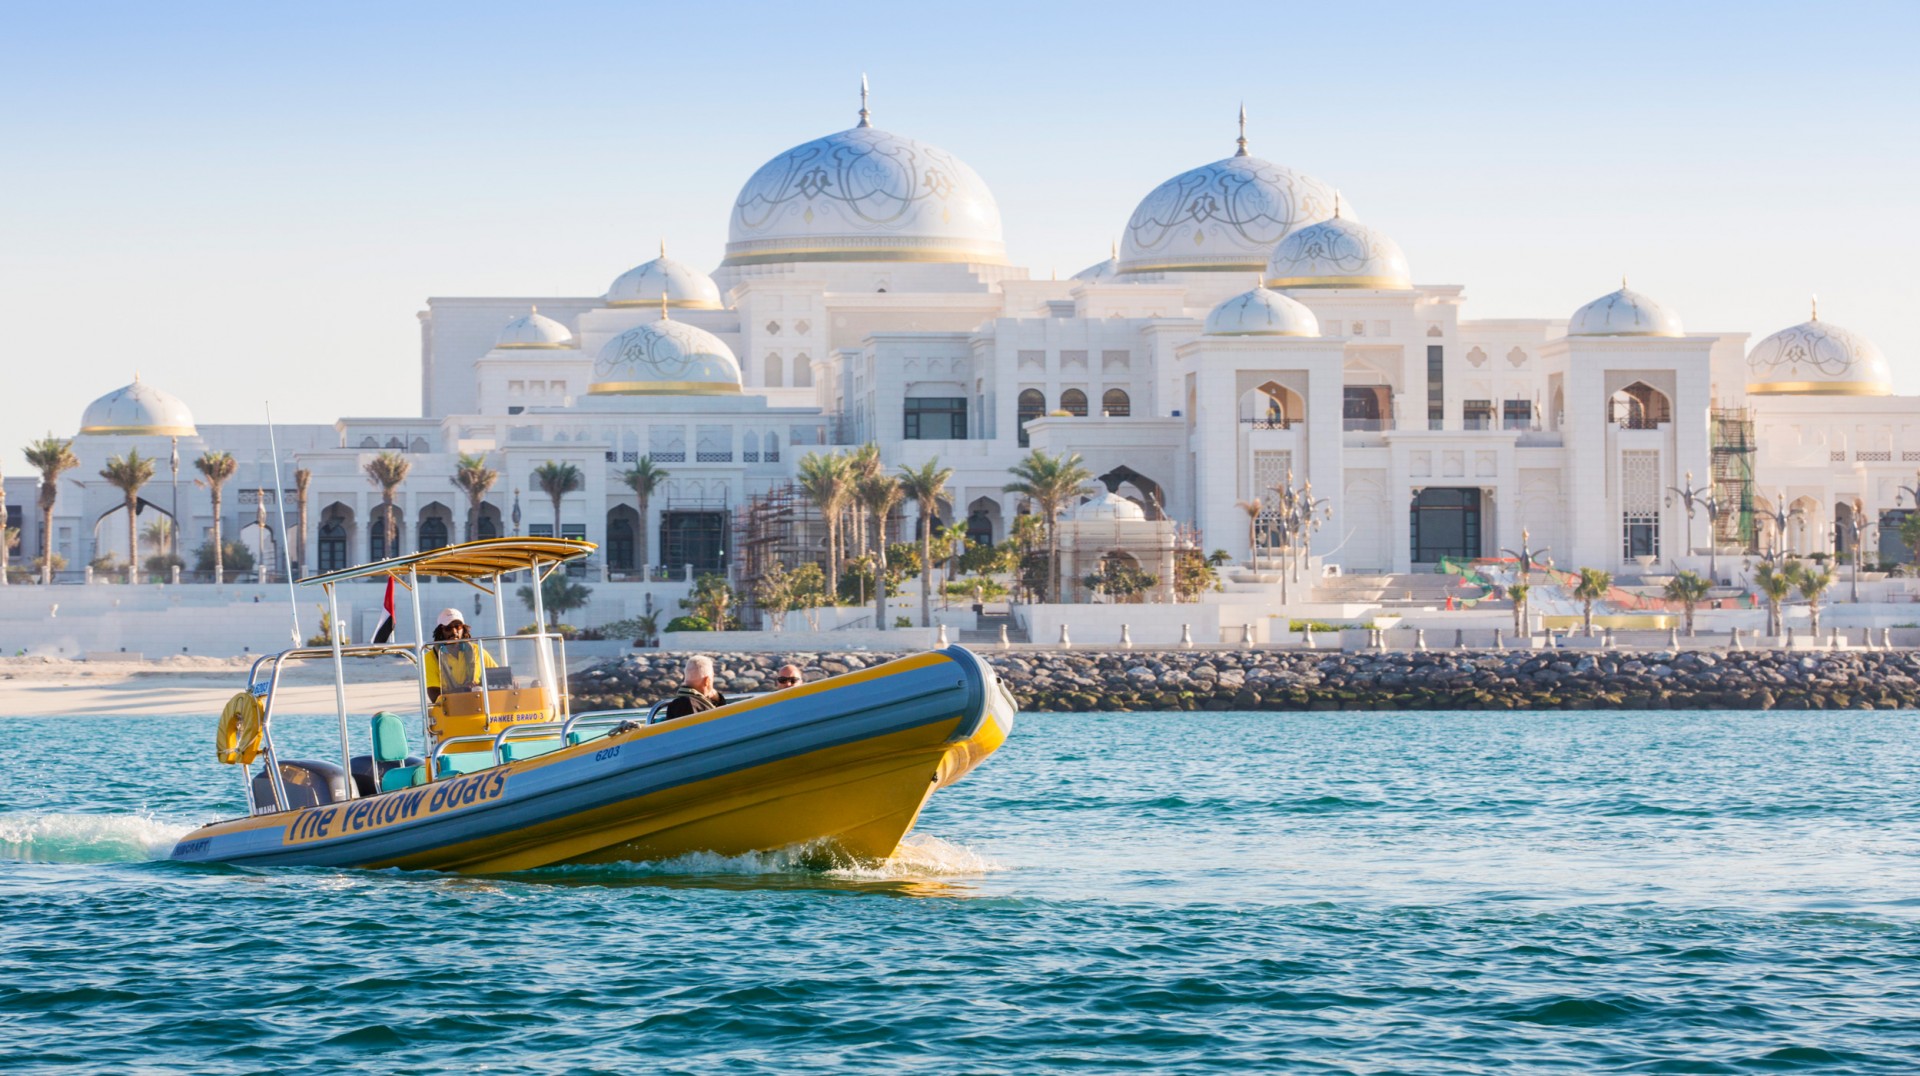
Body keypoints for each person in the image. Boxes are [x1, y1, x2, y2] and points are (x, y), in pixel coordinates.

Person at [424, 608, 496, 702]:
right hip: (449, 710)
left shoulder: (477, 651)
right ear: (440, 631)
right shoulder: (430, 657)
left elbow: (498, 675)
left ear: (463, 628)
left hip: (479, 704)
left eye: (458, 627)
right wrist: (465, 690)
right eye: (448, 628)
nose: (454, 632)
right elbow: (434, 695)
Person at [660, 655, 728, 721]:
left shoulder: (682, 703)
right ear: (707, 680)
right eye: (712, 677)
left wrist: (716, 697)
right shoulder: (688, 705)